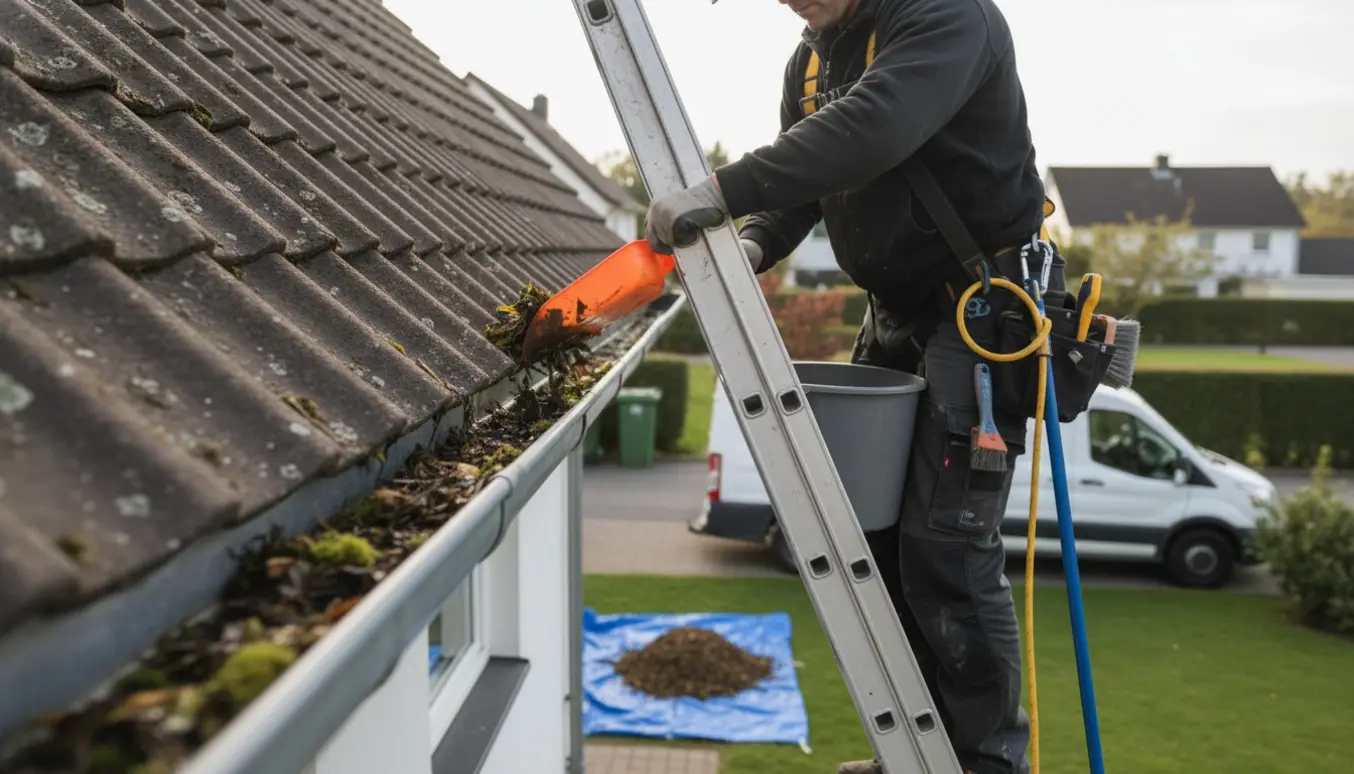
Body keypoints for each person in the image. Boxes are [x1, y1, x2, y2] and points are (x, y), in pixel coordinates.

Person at [643, 1, 1054, 772]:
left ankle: (987, 765)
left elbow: (874, 128)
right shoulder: (813, 59)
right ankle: (919, 750)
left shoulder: (945, 17)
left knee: (948, 552)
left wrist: (721, 189)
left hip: (979, 315)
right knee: (876, 538)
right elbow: (806, 187)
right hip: (900, 317)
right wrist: (752, 242)